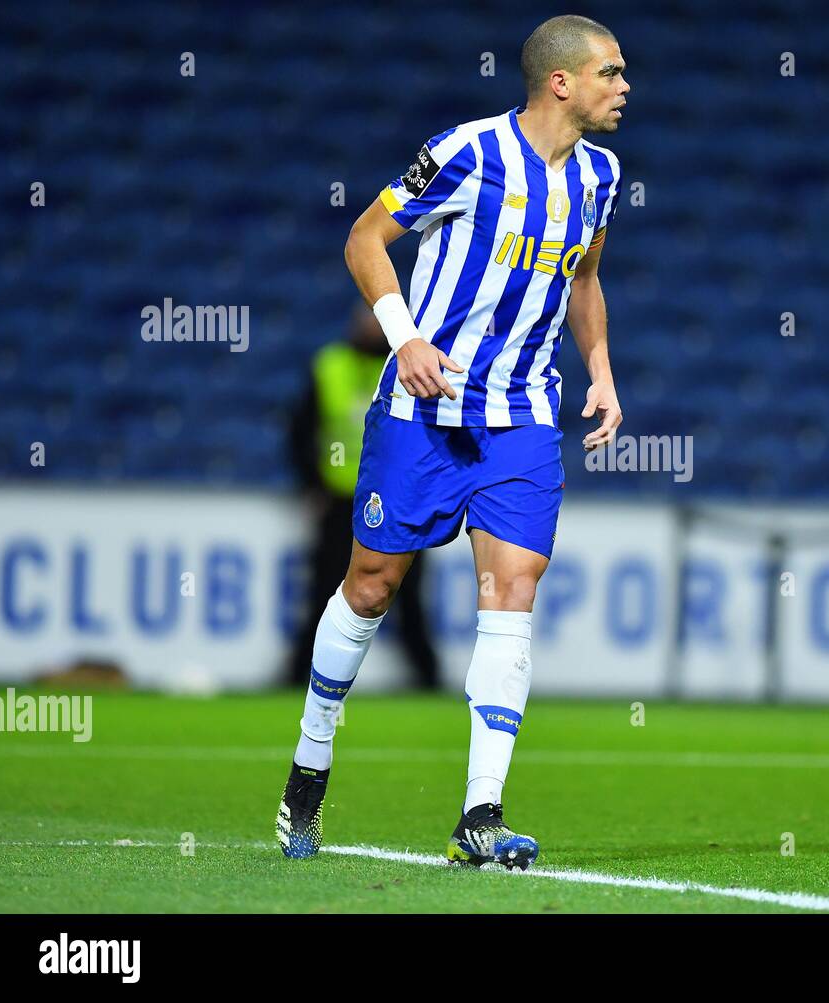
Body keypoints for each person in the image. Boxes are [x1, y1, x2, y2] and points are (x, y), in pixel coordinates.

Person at [275, 14, 628, 870]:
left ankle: (481, 814)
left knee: (513, 588)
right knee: (370, 585)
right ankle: (308, 771)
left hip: (523, 418)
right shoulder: (466, 153)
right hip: (422, 412)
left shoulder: (601, 176)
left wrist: (602, 371)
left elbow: (584, 278)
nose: (624, 88)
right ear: (560, 82)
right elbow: (364, 237)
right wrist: (404, 337)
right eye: (610, 73)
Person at [286, 304, 440, 690]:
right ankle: (296, 678)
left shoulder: (409, 363)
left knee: (406, 597)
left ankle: (429, 681)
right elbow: (301, 431)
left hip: (396, 501)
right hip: (341, 500)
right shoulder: (331, 365)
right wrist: (311, 486)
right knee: (324, 593)